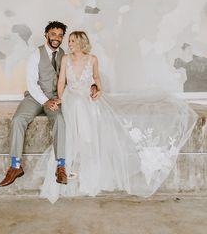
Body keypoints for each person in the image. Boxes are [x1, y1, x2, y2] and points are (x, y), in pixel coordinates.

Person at [38, 31, 198, 203]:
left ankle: (84, 163)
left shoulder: (92, 59)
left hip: (86, 96)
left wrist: (97, 89)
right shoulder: (65, 59)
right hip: (71, 97)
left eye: (73, 41)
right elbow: (61, 81)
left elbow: (97, 78)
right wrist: (61, 99)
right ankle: (73, 161)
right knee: (77, 107)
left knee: (86, 112)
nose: (69, 43)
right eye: (69, 40)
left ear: (81, 43)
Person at [0, 23, 99, 188]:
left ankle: (61, 166)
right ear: (46, 34)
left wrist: (93, 85)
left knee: (60, 119)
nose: (57, 38)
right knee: (17, 120)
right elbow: (31, 83)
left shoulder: (65, 55)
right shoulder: (35, 55)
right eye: (53, 34)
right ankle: (15, 166)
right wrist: (45, 101)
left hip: (56, 98)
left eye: (60, 35)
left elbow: (81, 73)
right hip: (35, 97)